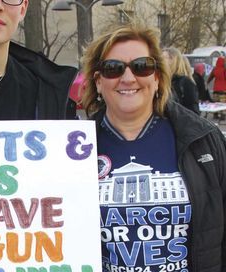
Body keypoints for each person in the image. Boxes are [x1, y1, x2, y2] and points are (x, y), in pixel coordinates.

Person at [82, 23, 226, 271]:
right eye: (113, 69)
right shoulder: (75, 149)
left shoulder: (204, 141)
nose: (128, 78)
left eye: (142, 66)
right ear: (98, 81)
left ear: (157, 78)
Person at [162, 47, 200, 114]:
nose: (159, 61)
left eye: (163, 58)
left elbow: (194, 111)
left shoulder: (185, 82)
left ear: (172, 60)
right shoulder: (161, 81)